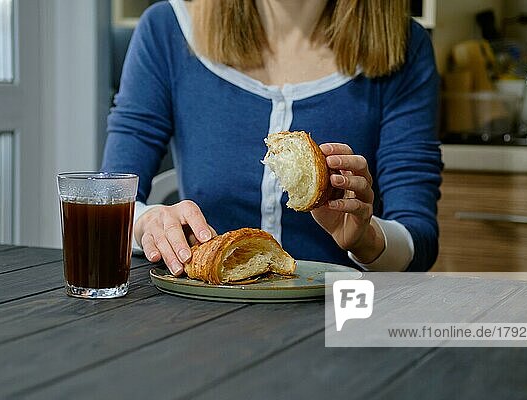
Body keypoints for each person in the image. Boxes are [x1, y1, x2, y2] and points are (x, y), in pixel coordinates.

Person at [102, 0, 443, 275]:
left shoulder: (404, 47)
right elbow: (110, 198)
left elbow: (419, 243)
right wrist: (149, 222)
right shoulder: (166, 30)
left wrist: (365, 238)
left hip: (340, 323)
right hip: (203, 323)